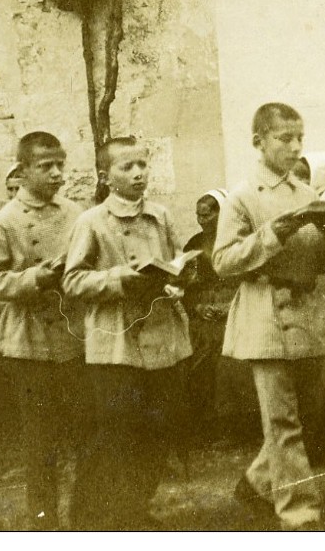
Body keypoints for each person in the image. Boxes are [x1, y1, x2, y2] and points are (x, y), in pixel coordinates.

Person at [213, 102, 325, 531]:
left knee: (303, 416)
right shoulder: (242, 196)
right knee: (283, 421)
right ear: (258, 142)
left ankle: (255, 483)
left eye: (299, 138)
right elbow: (224, 261)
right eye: (284, 138)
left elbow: (321, 258)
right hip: (265, 319)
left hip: (307, 314)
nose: (294, 146)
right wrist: (274, 234)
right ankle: (300, 517)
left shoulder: (308, 196)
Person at [63, 137, 192, 530]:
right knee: (118, 431)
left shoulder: (161, 215)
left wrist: (177, 280)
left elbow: (174, 263)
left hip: (163, 338)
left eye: (142, 165)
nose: (138, 174)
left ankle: (134, 507)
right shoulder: (92, 222)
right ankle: (90, 516)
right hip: (117, 343)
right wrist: (120, 279)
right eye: (126, 167)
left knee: (159, 428)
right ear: (106, 177)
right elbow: (72, 281)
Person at [0, 132, 84, 530]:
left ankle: (84, 518)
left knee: (82, 433)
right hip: (28, 343)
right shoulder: (4, 221)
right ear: (22, 172)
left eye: (61, 165)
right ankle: (43, 524)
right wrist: (36, 278)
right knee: (40, 442)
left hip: (74, 338)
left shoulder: (75, 213)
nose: (57, 174)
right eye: (46, 167)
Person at [181, 189, 243, 440]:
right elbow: (183, 284)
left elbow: (248, 282)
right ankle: (205, 426)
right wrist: (196, 307)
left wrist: (230, 306)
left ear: (222, 212)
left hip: (235, 309)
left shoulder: (237, 241)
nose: (202, 220)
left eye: (207, 215)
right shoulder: (194, 245)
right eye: (198, 215)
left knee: (227, 355)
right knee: (198, 353)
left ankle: (234, 425)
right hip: (203, 312)